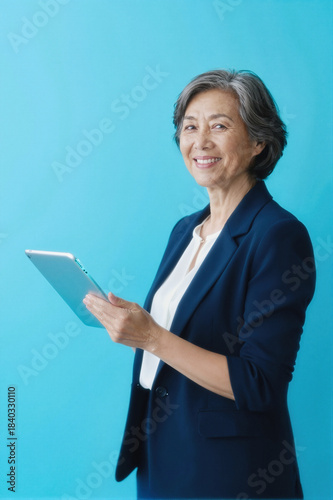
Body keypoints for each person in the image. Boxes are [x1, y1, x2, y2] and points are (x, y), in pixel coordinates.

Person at [83, 69, 316, 499]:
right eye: (190, 127)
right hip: (160, 454)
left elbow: (259, 383)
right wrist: (130, 324)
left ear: (258, 142)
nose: (200, 141)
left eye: (220, 126)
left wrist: (149, 336)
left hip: (229, 474)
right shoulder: (185, 229)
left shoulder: (278, 235)